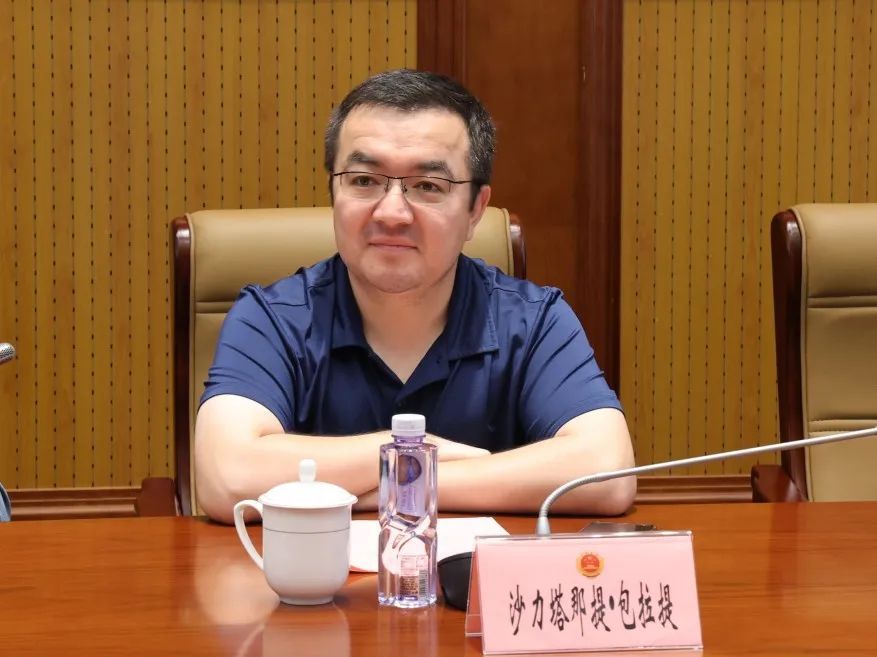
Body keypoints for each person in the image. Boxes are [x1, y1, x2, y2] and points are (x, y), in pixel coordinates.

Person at [195, 69, 635, 524]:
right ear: (333, 192)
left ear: (476, 210)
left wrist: (394, 486)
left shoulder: (533, 322)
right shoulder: (271, 319)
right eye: (363, 180)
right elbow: (228, 478)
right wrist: (414, 451)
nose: (391, 213)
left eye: (427, 186)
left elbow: (608, 472)